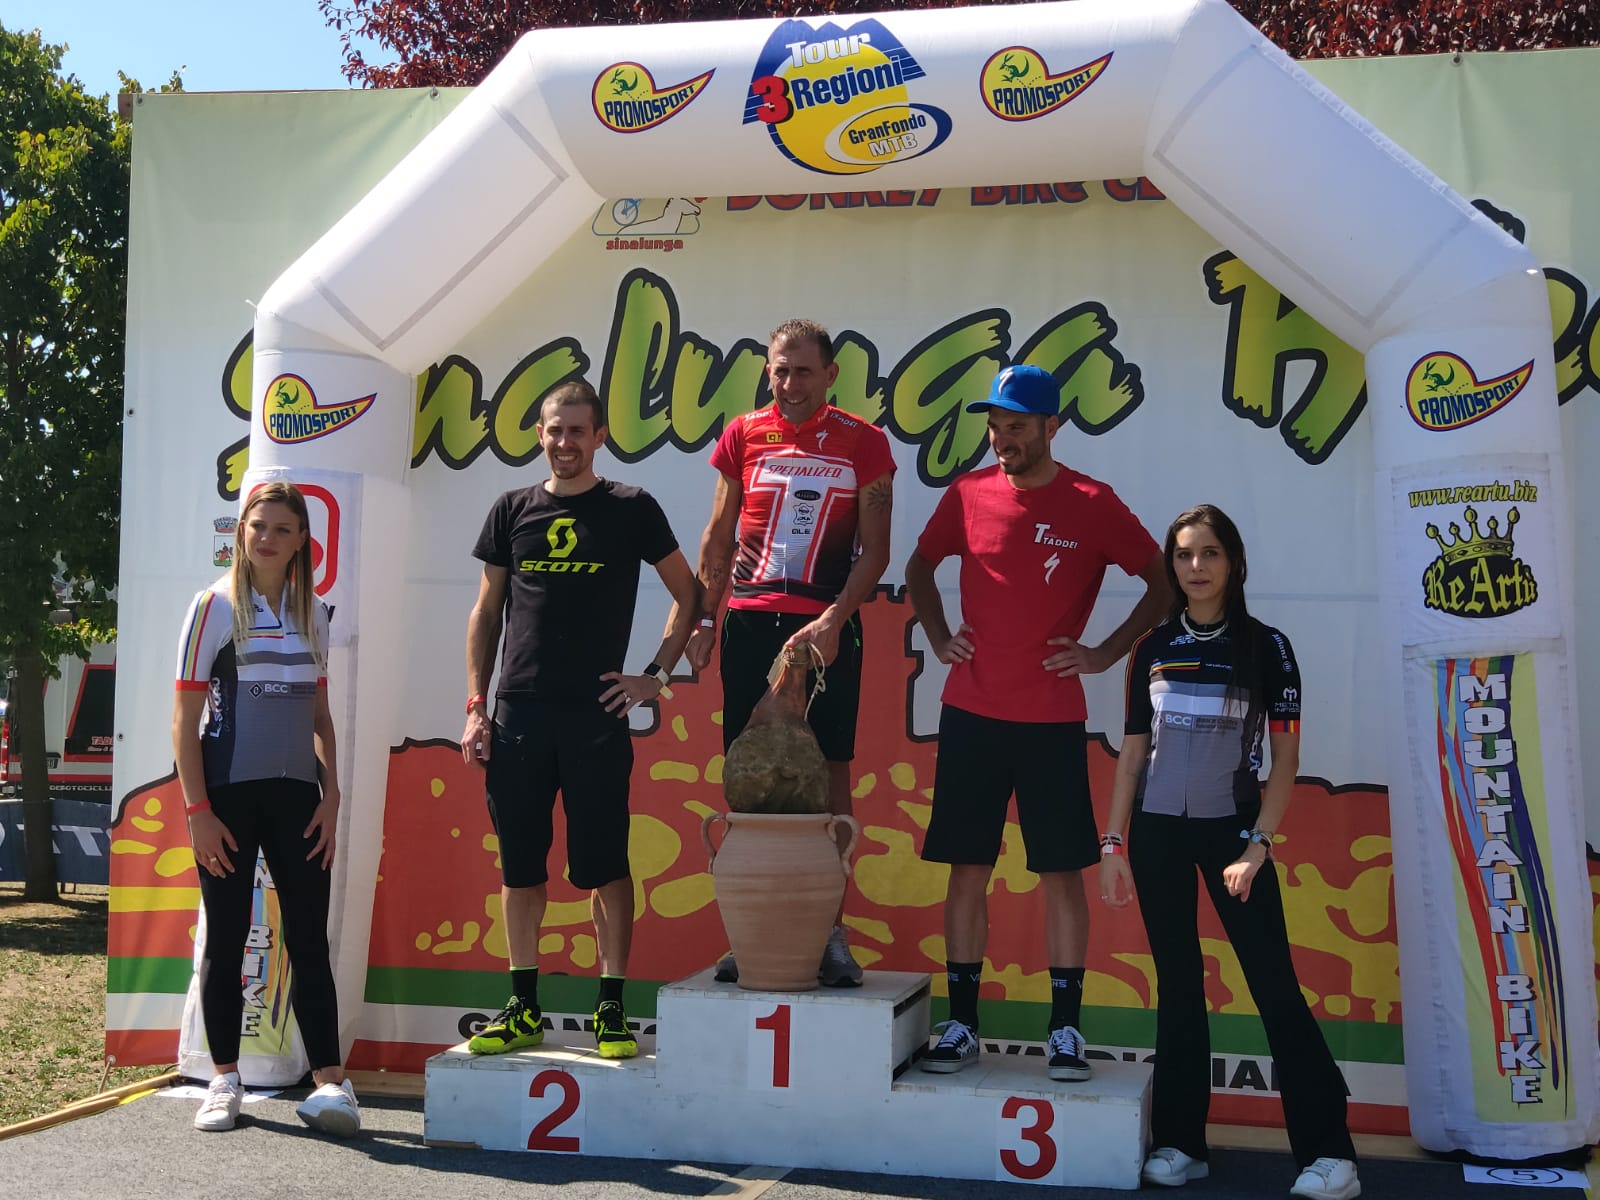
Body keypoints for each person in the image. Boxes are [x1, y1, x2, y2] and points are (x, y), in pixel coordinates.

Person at [904, 363, 1169, 1079]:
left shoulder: (1092, 501)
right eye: (995, 425)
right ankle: (962, 1024)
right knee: (968, 868)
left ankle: (1065, 1030)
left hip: (1051, 719)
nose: (1002, 439)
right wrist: (939, 637)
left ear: (1053, 426)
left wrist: (1106, 652)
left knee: (1060, 873)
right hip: (971, 712)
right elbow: (920, 568)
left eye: (1016, 426)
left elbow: (1162, 583)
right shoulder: (968, 493)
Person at [1100, 504, 1360, 1200]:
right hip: (1156, 833)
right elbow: (1132, 755)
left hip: (1234, 837)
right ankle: (1182, 1143)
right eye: (1184, 554)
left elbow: (1286, 757)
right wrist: (1114, 842)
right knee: (1179, 985)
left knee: (1273, 985)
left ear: (1234, 563)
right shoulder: (1151, 648)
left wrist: (1257, 846)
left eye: (1209, 553)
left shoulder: (1267, 647)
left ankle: (1330, 1155)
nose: (1196, 566)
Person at [461, 380, 699, 1059]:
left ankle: (611, 1008)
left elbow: (689, 594)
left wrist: (655, 677)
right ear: (539, 434)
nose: (564, 442)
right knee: (520, 868)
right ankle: (523, 1008)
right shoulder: (512, 509)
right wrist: (476, 707)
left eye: (576, 430)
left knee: (605, 866)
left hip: (595, 716)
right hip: (518, 713)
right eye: (553, 430)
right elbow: (486, 614)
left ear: (600, 436)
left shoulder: (631, 506)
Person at [686, 318, 895, 987]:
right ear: (767, 371)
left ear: (830, 375)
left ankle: (829, 936)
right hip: (750, 622)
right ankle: (753, 935)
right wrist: (704, 618)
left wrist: (835, 619)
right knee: (749, 778)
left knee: (828, 777)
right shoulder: (743, 433)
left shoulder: (865, 442)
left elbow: (876, 551)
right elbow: (717, 537)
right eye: (780, 370)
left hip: (824, 626)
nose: (790, 383)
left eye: (803, 371)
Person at [172, 480, 359, 1136]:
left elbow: (320, 718)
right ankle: (224, 1080)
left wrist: (333, 795)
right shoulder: (213, 606)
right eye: (258, 526)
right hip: (226, 797)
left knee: (309, 939)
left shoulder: (316, 614)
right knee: (226, 938)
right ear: (241, 533)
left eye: (282, 528)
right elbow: (184, 720)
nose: (268, 538)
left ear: (302, 539)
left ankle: (331, 1085)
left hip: (298, 799)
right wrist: (197, 811)